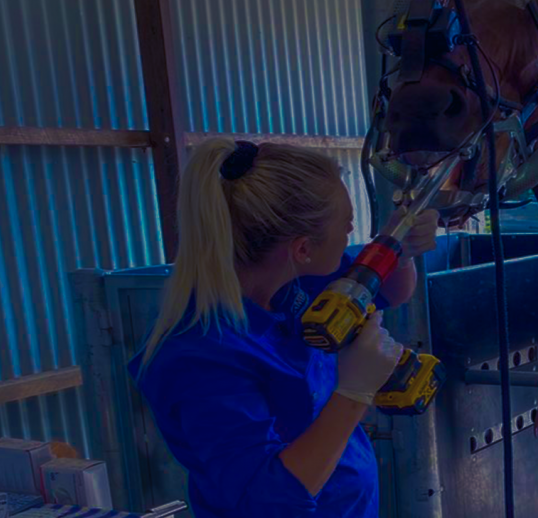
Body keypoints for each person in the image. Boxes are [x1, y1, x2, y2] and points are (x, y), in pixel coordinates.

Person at [126, 138, 440, 517]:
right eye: (348, 223)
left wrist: (398, 245)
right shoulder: (200, 357)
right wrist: (354, 393)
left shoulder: (291, 283)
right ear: (302, 248)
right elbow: (266, 503)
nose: (351, 234)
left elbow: (391, 289)